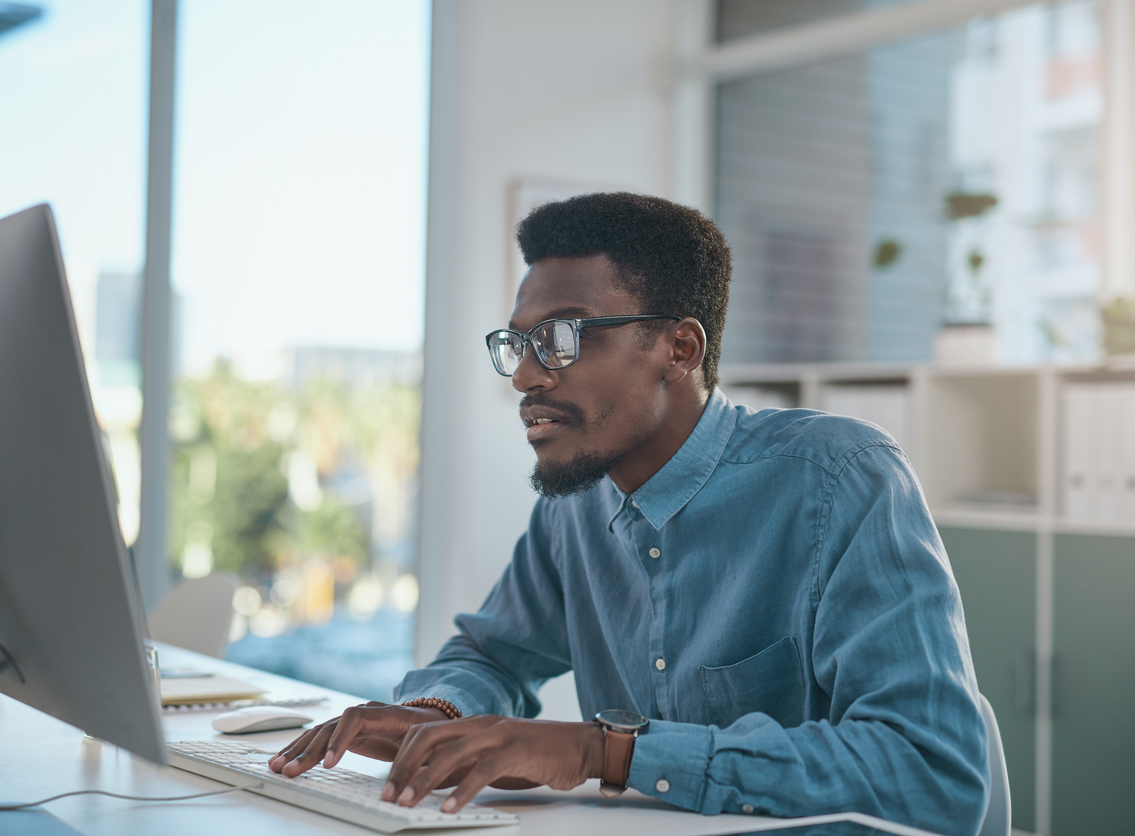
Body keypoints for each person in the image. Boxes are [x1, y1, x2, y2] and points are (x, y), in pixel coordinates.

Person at [269, 193, 989, 834]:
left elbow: (931, 770)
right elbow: (490, 654)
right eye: (519, 343)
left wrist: (600, 752)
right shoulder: (577, 502)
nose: (524, 375)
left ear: (678, 349)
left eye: (561, 338)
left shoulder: (838, 479)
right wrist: (438, 719)